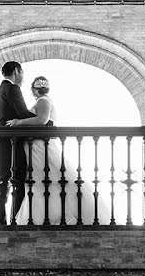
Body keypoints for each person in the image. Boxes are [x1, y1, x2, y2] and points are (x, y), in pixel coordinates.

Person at [7, 76, 107, 226]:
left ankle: (48, 215)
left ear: (34, 90)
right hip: (37, 145)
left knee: (45, 178)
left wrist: (18, 122)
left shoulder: (43, 101)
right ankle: (46, 214)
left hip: (41, 146)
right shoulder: (43, 101)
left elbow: (42, 120)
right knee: (43, 179)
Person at [0, 61, 35, 225]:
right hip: (12, 144)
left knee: (1, 184)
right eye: (22, 73)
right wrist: (45, 122)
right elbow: (22, 113)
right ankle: (16, 221)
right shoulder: (12, 88)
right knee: (18, 182)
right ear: (16, 71)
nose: (22, 77)